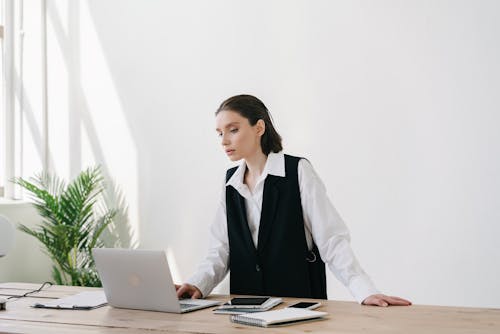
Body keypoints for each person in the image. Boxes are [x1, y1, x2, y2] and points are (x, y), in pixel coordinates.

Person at [176, 94, 411, 307]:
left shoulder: (298, 171)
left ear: (259, 128)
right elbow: (221, 248)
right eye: (220, 133)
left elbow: (331, 239)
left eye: (233, 130)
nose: (224, 141)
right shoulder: (231, 183)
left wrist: (365, 291)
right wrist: (197, 284)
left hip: (298, 307)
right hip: (245, 309)